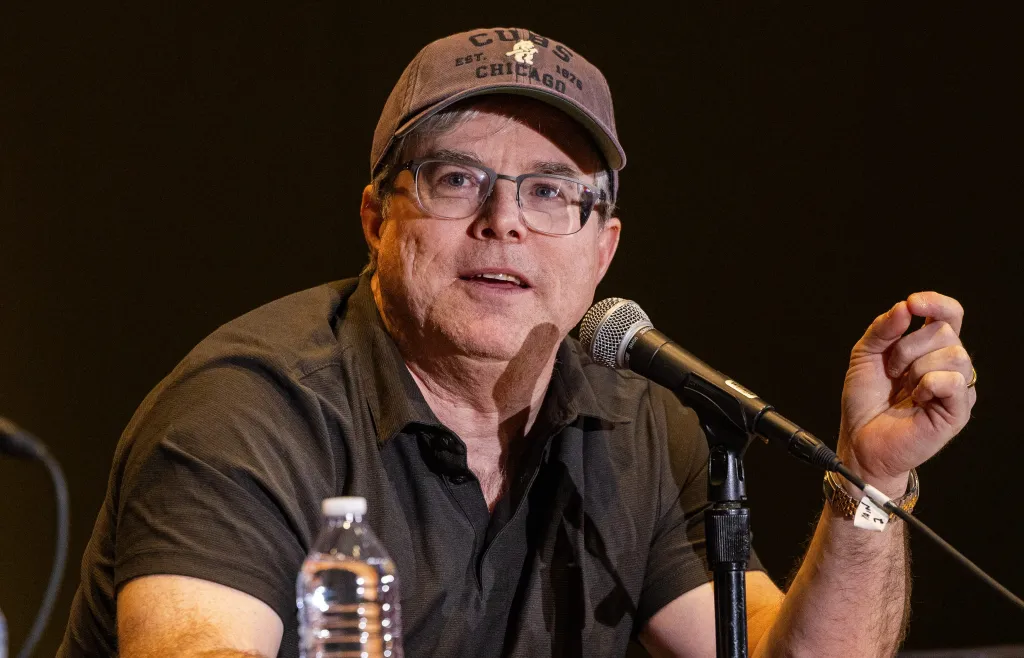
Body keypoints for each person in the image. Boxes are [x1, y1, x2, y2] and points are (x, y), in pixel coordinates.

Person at [59, 27, 977, 657]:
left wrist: (870, 480)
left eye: (550, 192)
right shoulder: (245, 412)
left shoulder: (640, 427)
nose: (505, 222)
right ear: (377, 219)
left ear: (602, 250)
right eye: (458, 179)